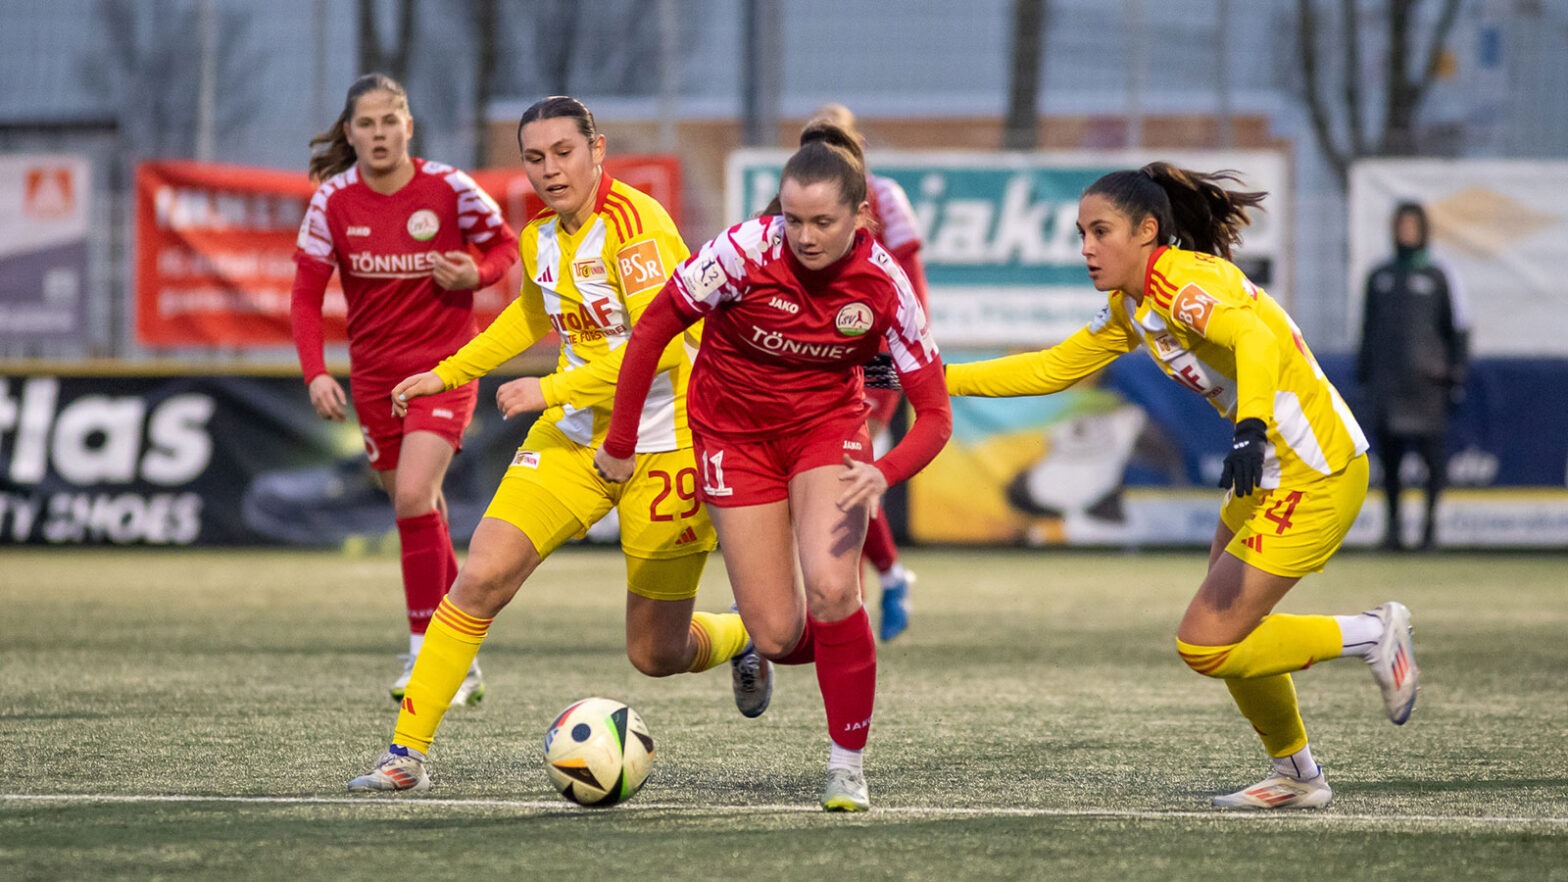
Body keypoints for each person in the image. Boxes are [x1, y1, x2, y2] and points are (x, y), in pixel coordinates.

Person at [944, 162, 1419, 810]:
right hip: (1272, 468)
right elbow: (1052, 367)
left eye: (1100, 231)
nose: (1086, 246)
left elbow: (1251, 336)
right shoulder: (1134, 305)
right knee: (1228, 631)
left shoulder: (1177, 281)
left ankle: (1372, 633)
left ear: (1146, 230)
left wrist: (1249, 427)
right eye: (1080, 232)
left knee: (1205, 641)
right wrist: (932, 379)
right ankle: (1299, 776)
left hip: (1316, 469)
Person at [345, 95, 757, 793]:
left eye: (564, 152)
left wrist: (553, 388)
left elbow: (665, 347)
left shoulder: (636, 227)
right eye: (534, 158)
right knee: (479, 580)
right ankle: (405, 756)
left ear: (597, 150)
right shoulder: (539, 235)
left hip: (666, 445)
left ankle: (743, 637)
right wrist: (445, 373)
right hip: (571, 444)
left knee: (654, 654)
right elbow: (528, 317)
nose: (549, 170)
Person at [594, 122, 952, 811]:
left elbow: (935, 415)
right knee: (779, 633)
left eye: (823, 221)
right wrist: (620, 440)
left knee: (833, 589)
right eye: (793, 218)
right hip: (733, 437)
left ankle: (846, 767)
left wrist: (885, 471)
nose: (806, 235)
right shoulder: (739, 253)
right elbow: (652, 330)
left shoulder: (886, 286)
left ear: (860, 217)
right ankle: (775, 645)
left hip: (828, 433)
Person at [291, 73, 519, 704]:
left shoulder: (449, 188)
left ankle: (427, 653)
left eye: (391, 120)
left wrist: (476, 270)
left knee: (416, 497)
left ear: (409, 126)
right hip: (372, 381)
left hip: (443, 369)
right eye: (366, 123)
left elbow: (506, 247)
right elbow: (306, 298)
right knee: (420, 512)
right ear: (350, 133)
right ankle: (460, 649)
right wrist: (315, 372)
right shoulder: (332, 202)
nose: (379, 133)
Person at [804, 103, 929, 642]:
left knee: (850, 479)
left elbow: (913, 287)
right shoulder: (801, 202)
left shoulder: (884, 196)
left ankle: (846, 610)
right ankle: (888, 578)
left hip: (873, 360)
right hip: (818, 362)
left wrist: (899, 365)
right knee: (836, 483)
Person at [1356, 201, 1470, 551]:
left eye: (1412, 225)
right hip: (1388, 387)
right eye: (1400, 225)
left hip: (1427, 388)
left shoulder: (1438, 275)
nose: (1406, 231)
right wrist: (1366, 376)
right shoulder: (1380, 276)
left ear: (1422, 229)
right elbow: (1368, 330)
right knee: (1389, 465)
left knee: (1431, 463)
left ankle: (1429, 532)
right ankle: (1392, 532)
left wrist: (1454, 373)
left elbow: (1457, 329)